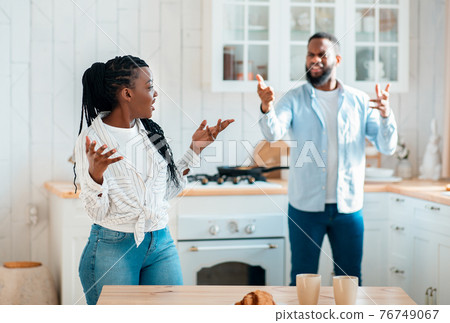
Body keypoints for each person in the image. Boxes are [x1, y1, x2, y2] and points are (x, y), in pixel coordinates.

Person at [74, 55, 234, 304]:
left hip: (160, 242)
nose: (155, 93)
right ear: (127, 94)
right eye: (149, 87)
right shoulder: (93, 139)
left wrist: (195, 150)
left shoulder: (150, 132)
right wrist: (96, 175)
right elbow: (97, 212)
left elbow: (167, 190)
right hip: (114, 247)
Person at [256, 32, 397, 286]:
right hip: (305, 208)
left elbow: (387, 147)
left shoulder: (360, 101)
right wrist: (267, 108)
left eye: (322, 54)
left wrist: (387, 116)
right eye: (310, 54)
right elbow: (272, 132)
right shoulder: (293, 98)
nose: (315, 59)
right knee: (302, 279)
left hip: (348, 208)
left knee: (350, 280)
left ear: (337, 59)